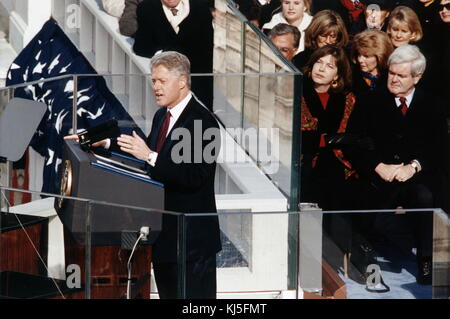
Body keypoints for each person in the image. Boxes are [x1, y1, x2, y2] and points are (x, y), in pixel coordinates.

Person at [65, 51, 222, 298]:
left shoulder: (203, 122)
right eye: (153, 81)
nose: (156, 88)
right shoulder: (163, 115)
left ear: (181, 81)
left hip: (192, 244)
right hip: (164, 239)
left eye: (162, 81)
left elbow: (194, 177)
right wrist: (104, 143)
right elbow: (147, 154)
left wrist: (150, 155)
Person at [346, 44, 447, 285]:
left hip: (415, 176)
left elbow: (440, 147)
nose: (394, 79)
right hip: (376, 176)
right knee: (364, 202)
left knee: (426, 198)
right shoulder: (369, 100)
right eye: (391, 73)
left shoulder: (432, 103)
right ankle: (366, 266)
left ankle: (425, 264)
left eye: (401, 75)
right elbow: (353, 143)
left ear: (417, 76)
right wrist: (377, 166)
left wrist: (413, 166)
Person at [133, 0, 214, 110]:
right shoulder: (147, 8)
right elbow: (141, 47)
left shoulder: (200, 7)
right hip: (165, 85)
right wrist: (166, 57)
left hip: (197, 81)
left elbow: (207, 49)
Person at [350, 29, 394, 94]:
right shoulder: (351, 78)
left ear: (380, 56)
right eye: (359, 54)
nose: (360, 60)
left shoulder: (391, 77)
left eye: (366, 56)